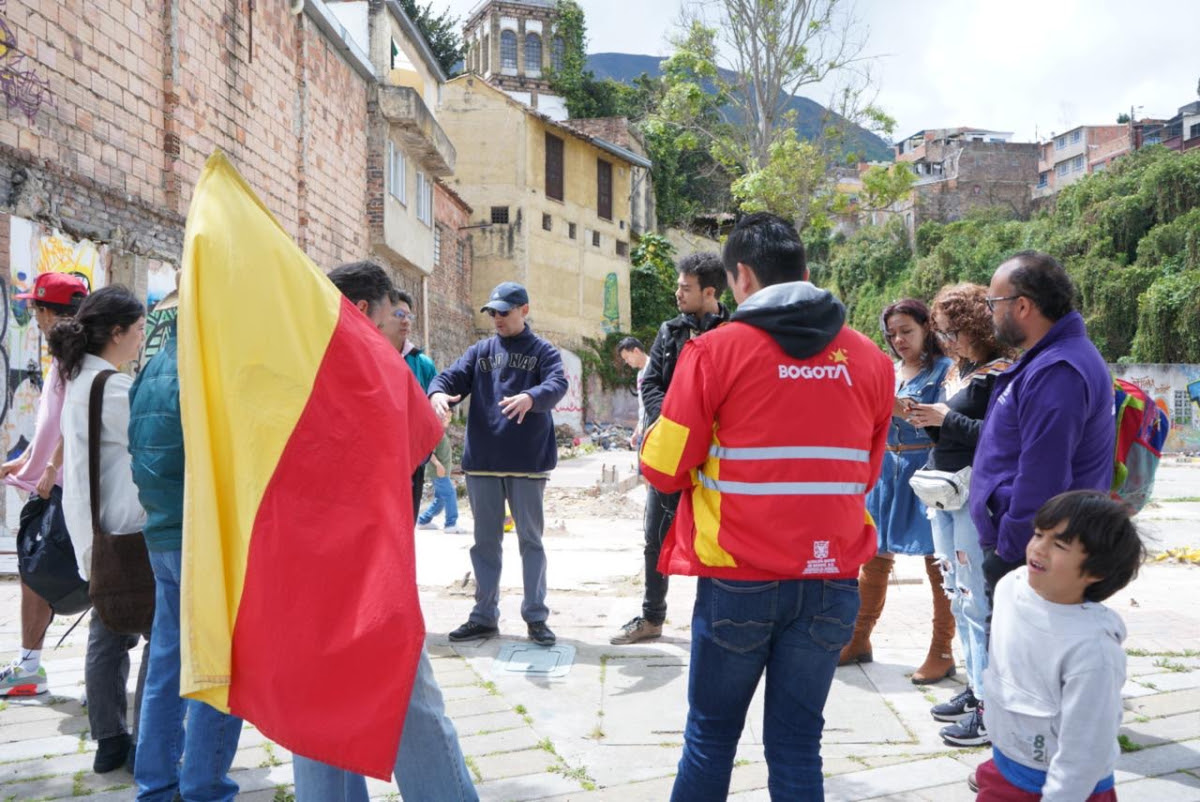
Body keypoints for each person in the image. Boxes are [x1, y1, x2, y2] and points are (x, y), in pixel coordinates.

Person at [640, 212, 893, 801]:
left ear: (742, 277)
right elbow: (866, 471)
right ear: (806, 274)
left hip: (738, 581)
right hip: (832, 580)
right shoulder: (871, 361)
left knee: (710, 738)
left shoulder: (712, 352)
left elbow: (664, 467)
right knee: (799, 743)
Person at [291, 260, 476, 802]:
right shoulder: (381, 369)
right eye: (390, 312)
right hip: (371, 566)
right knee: (407, 699)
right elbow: (419, 440)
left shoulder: (299, 367)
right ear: (365, 308)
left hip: (310, 563)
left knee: (318, 707)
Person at [128, 289, 244, 801]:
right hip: (199, 535)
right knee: (219, 667)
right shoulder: (204, 367)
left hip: (162, 531)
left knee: (167, 663)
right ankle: (204, 787)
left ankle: (154, 784)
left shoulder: (153, 368)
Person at [970, 252, 1114, 618]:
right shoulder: (1046, 360)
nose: (989, 313)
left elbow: (1043, 475)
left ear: (1022, 306)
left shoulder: (1058, 371)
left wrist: (1010, 549)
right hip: (1033, 550)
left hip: (1034, 556)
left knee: (1019, 671)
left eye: (992, 303)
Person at [977, 491, 1143, 801]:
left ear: (1096, 572)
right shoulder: (1010, 587)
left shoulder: (1093, 652)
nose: (1039, 548)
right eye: (1039, 534)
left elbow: (1086, 751)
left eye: (1060, 545)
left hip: (1065, 788)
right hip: (1005, 767)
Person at [429, 281, 568, 647]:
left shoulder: (543, 352)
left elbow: (557, 384)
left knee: (530, 542)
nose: (497, 319)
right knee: (484, 544)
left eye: (504, 312)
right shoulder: (480, 351)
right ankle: (484, 616)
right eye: (493, 312)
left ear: (524, 309)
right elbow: (448, 377)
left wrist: (531, 396)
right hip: (484, 463)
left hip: (528, 463)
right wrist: (439, 392)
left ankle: (536, 617)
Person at [905, 284, 1014, 747]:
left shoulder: (1003, 371)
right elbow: (951, 433)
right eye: (943, 334)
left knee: (976, 598)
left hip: (973, 494)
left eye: (954, 333)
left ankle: (991, 703)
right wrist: (927, 420)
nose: (947, 342)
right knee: (956, 591)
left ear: (977, 327)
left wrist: (943, 419)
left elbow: (997, 436)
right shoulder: (958, 369)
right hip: (942, 492)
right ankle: (974, 688)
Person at [48, 285, 150, 774]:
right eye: (138, 328)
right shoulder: (112, 388)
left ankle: (111, 739)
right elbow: (158, 438)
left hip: (96, 532)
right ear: (116, 332)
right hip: (127, 533)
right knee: (161, 634)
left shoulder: (80, 380)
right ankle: (149, 739)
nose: (141, 337)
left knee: (108, 632)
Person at [611, 253, 730, 646]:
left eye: (685, 287)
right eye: (679, 286)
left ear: (709, 292)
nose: (677, 293)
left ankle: (714, 621)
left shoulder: (735, 330)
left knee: (717, 538)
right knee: (656, 535)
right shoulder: (670, 330)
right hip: (672, 450)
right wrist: (674, 423)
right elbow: (652, 383)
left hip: (720, 456)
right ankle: (652, 617)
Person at [839, 299, 954, 685]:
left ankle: (942, 649)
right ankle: (858, 639)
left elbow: (951, 419)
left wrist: (905, 411)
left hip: (926, 471)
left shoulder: (944, 370)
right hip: (886, 470)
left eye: (907, 330)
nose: (899, 339)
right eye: (892, 333)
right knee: (873, 556)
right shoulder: (887, 371)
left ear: (927, 327)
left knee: (938, 561)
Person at [0, 272, 87, 698]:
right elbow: (50, 425)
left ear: (50, 313)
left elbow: (75, 423)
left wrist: (50, 468)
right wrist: (22, 460)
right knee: (37, 569)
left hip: (67, 486)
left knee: (38, 569)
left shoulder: (80, 361)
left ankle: (30, 667)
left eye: (35, 308)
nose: (32, 316)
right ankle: (30, 664)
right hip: (55, 483)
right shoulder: (63, 357)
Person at [384, 288, 438, 518]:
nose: (405, 321)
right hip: (380, 455)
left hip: (413, 457)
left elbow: (433, 403)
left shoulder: (422, 363)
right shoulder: (372, 353)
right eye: (399, 315)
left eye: (409, 316)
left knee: (407, 521)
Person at [416, 432, 466, 533]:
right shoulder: (435, 432)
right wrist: (438, 465)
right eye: (444, 415)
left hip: (443, 472)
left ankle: (423, 521)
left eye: (450, 415)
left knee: (440, 499)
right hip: (437, 472)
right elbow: (428, 451)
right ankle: (450, 524)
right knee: (450, 493)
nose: (448, 416)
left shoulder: (442, 432)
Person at [616, 336, 648, 448]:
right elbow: (643, 406)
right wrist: (638, 428)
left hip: (655, 429)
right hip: (644, 428)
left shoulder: (655, 368)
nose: (626, 361)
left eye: (627, 357)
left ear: (636, 351)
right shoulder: (640, 374)